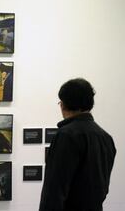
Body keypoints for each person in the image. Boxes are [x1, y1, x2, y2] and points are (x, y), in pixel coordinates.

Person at [39, 78, 116, 211]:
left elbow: (54, 191)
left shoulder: (66, 135)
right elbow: (103, 188)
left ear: (63, 105)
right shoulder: (105, 137)